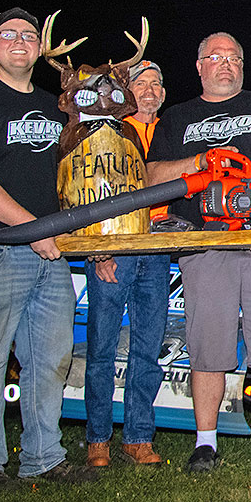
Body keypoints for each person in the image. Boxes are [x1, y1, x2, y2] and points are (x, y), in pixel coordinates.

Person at [0, 8, 96, 485]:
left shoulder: (56, 106)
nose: (21, 42)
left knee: (51, 360)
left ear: (40, 48)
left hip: (49, 255)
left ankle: (44, 457)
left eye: (30, 35)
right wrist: (35, 229)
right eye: (9, 35)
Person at [145, 32, 251, 473]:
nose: (226, 64)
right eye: (216, 57)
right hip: (203, 242)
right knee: (208, 345)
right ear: (199, 67)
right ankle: (205, 443)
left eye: (234, 57)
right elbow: (153, 174)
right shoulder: (177, 118)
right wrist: (201, 161)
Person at [83, 60, 171, 468]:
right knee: (101, 347)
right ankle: (98, 438)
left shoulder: (172, 132)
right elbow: (88, 188)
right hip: (113, 249)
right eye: (141, 84)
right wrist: (98, 248)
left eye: (156, 84)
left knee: (148, 350)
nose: (150, 90)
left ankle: (138, 436)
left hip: (156, 248)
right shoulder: (106, 129)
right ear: (125, 92)